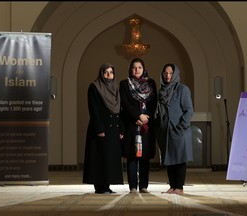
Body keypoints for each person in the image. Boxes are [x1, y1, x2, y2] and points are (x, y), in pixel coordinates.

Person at [82, 63, 124, 194]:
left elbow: (120, 110)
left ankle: (107, 185)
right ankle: (99, 187)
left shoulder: (116, 88)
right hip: (100, 129)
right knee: (100, 157)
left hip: (114, 129)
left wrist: (121, 129)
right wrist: (99, 129)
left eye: (111, 72)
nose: (108, 75)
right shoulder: (94, 87)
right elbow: (93, 110)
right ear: (101, 73)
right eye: (106, 72)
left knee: (110, 158)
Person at [119, 58, 157, 193]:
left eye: (139, 67)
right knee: (132, 156)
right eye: (134, 67)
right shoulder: (124, 84)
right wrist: (137, 116)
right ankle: (133, 187)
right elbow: (125, 104)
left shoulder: (151, 83)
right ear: (130, 69)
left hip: (146, 125)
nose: (137, 70)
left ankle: (144, 186)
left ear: (144, 68)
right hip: (131, 124)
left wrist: (147, 117)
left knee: (145, 156)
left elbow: (154, 103)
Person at [155, 63, 194, 195]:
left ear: (175, 74)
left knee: (179, 159)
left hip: (178, 130)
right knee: (169, 159)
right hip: (165, 131)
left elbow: (189, 110)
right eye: (165, 73)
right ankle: (172, 186)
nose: (168, 76)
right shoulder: (161, 91)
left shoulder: (182, 89)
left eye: (171, 73)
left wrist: (181, 127)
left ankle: (179, 187)